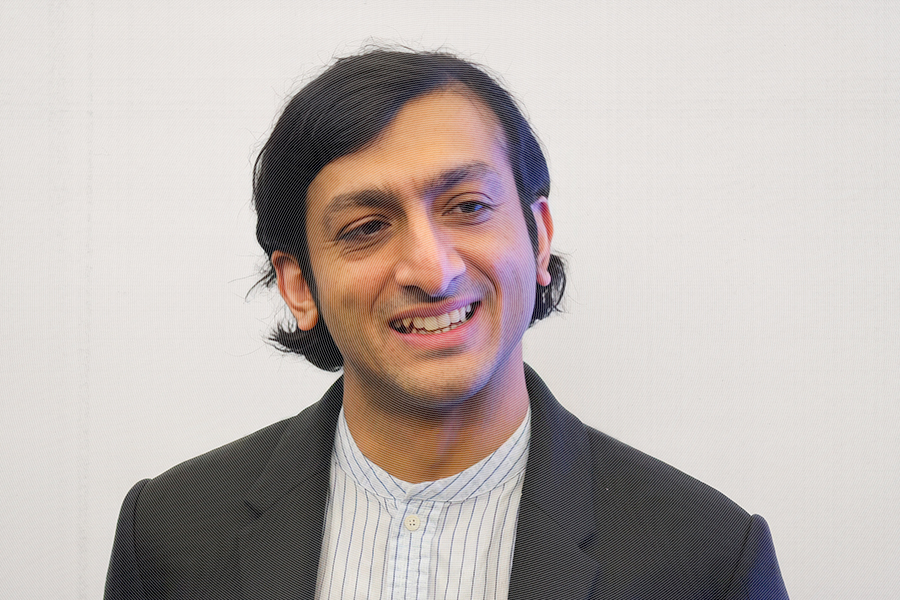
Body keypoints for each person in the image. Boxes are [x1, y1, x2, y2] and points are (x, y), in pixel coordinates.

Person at [105, 48, 789, 600]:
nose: (433, 271)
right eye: (367, 227)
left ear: (539, 238)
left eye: (467, 207)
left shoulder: (707, 559)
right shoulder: (167, 537)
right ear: (299, 286)